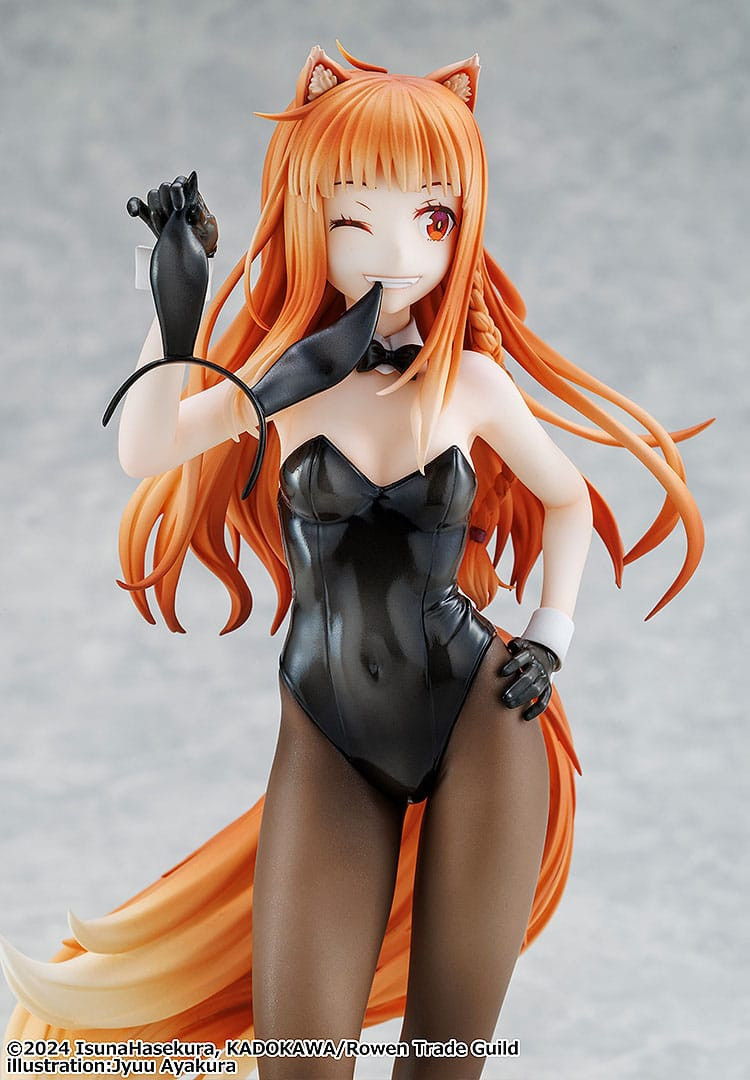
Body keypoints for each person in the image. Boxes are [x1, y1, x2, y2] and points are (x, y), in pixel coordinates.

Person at [0, 45, 704, 1080]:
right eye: (355, 218)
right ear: (308, 216)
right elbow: (145, 450)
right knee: (301, 1061)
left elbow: (564, 501)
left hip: (484, 719)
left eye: (432, 218)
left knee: (443, 1064)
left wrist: (551, 635)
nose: (398, 252)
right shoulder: (288, 385)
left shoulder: (472, 386)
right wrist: (172, 314)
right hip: (328, 733)